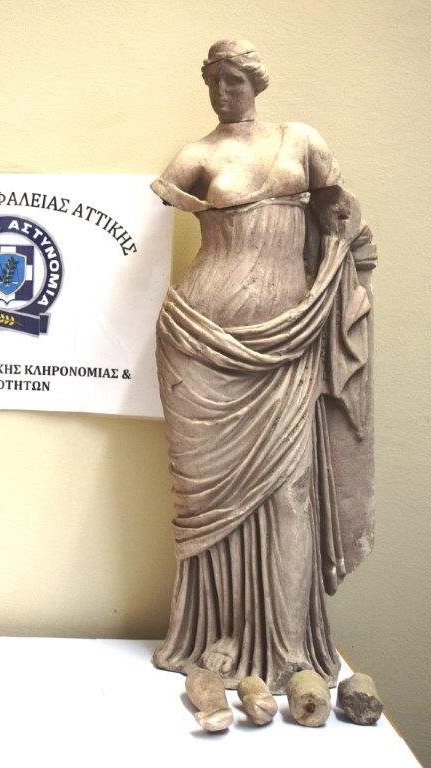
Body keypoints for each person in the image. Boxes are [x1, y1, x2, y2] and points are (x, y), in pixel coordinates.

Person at [151, 39, 376, 693]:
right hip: (201, 335)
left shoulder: (300, 140)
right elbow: (168, 192)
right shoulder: (196, 156)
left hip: (289, 335)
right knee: (211, 498)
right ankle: (220, 632)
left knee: (291, 491)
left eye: (234, 80)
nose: (223, 93)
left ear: (256, 82)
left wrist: (346, 263)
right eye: (213, 82)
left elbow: (341, 218)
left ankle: (289, 643)